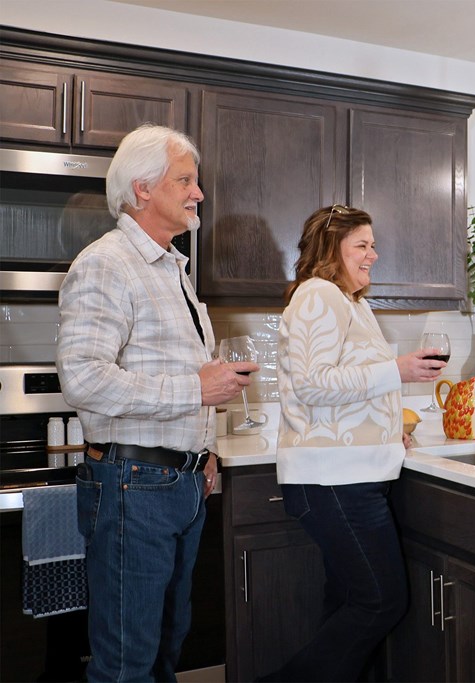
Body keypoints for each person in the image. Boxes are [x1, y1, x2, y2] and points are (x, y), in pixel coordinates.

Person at [56, 124, 257, 681]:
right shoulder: (107, 264)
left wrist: (205, 448)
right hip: (132, 484)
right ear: (142, 189)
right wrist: (197, 392)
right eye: (185, 180)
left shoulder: (173, 269)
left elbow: (188, 368)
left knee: (168, 644)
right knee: (128, 662)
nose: (198, 193)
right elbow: (84, 379)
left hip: (179, 483)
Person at [273, 204, 446, 681]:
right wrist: (398, 369)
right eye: (362, 245)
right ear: (333, 249)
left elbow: (347, 385)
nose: (374, 254)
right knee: (380, 600)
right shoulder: (318, 295)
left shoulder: (354, 303)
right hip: (333, 479)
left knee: (348, 601)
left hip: (353, 475)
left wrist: (392, 429)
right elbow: (311, 382)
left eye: (373, 244)